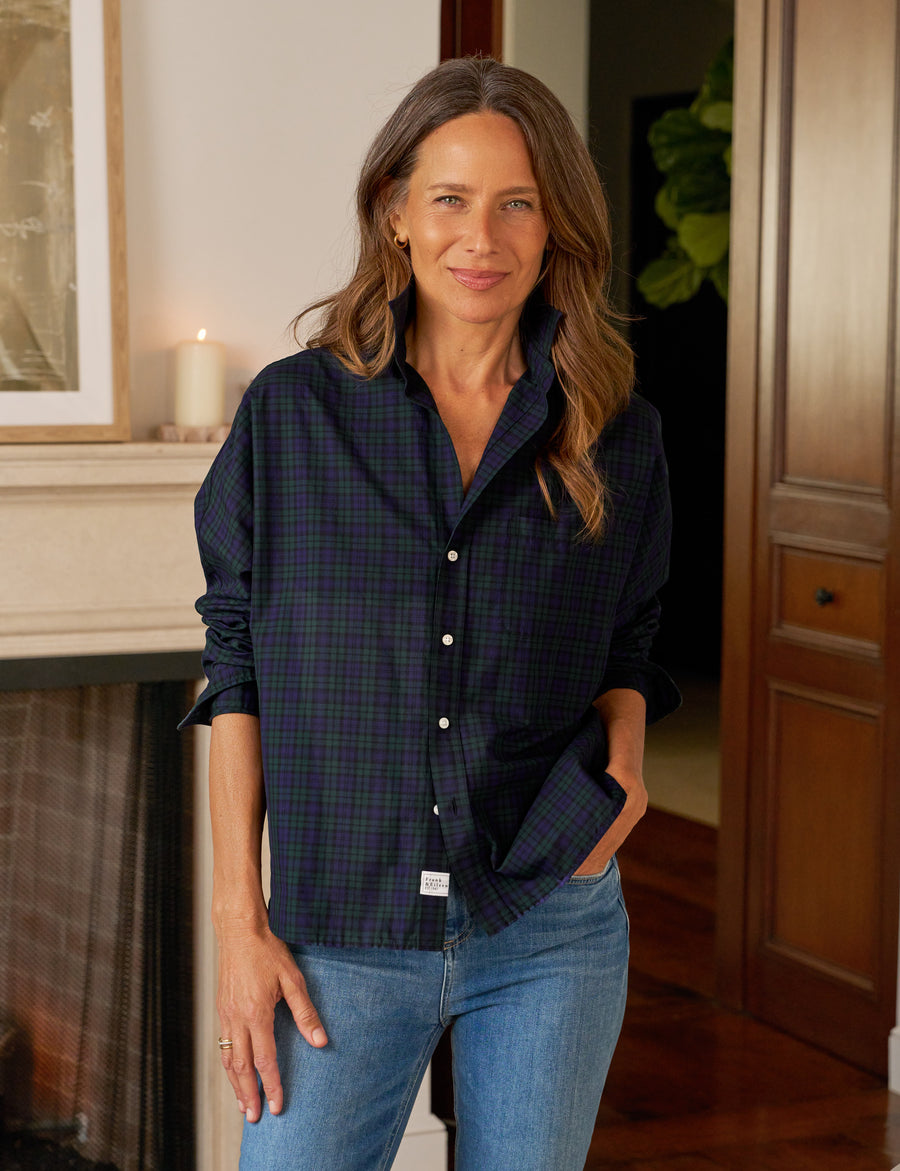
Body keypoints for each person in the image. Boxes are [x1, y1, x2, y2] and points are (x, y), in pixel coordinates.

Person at [180, 55, 680, 1171]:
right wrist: (240, 925)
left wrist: (626, 774)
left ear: (556, 228)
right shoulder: (294, 416)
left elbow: (631, 640)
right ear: (396, 213)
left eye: (518, 204)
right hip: (340, 933)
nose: (481, 238)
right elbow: (237, 658)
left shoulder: (619, 432)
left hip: (550, 918)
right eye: (450, 198)